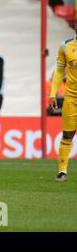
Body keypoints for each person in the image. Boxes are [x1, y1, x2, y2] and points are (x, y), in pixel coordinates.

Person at [49, 19, 77, 182]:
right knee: (67, 134)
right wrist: (52, 94)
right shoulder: (66, 46)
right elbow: (59, 71)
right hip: (72, 98)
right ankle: (62, 171)